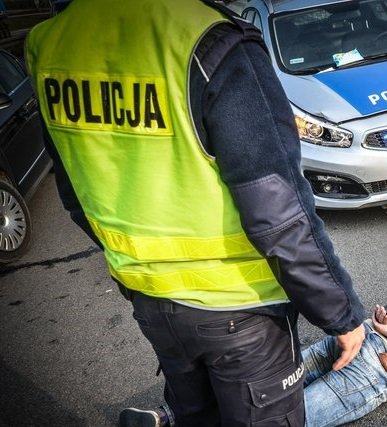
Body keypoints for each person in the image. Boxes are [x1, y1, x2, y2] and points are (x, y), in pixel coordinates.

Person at [25, 1, 366, 426]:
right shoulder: (209, 37)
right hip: (243, 310)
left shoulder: (50, 41)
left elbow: (73, 191)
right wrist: (341, 314)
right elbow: (278, 212)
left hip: (151, 299)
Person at [126, 290, 387, 427]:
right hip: (382, 365)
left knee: (274, 381)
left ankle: (169, 415)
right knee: (293, 418)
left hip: (358, 337)